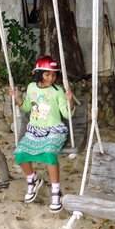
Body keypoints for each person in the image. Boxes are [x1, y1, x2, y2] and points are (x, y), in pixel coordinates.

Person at [10, 55, 74, 212]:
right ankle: (33, 180)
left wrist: (69, 100)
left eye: (53, 74)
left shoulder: (58, 91)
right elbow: (26, 107)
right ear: (39, 74)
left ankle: (55, 191)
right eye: (47, 74)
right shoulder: (32, 87)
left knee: (49, 154)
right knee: (20, 153)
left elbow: (67, 115)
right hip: (35, 130)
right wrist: (17, 98)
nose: (51, 78)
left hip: (54, 130)